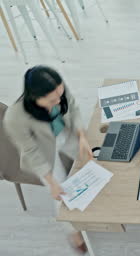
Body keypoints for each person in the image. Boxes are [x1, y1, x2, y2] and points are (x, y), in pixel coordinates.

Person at [3, 65, 93, 254]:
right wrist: (51, 181)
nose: (59, 100)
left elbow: (73, 107)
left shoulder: (56, 89)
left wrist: (81, 136)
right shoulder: (15, 118)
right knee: (61, 195)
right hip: (43, 153)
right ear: (36, 98)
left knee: (92, 163)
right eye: (53, 100)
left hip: (64, 134)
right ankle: (73, 233)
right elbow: (31, 151)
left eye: (59, 95)